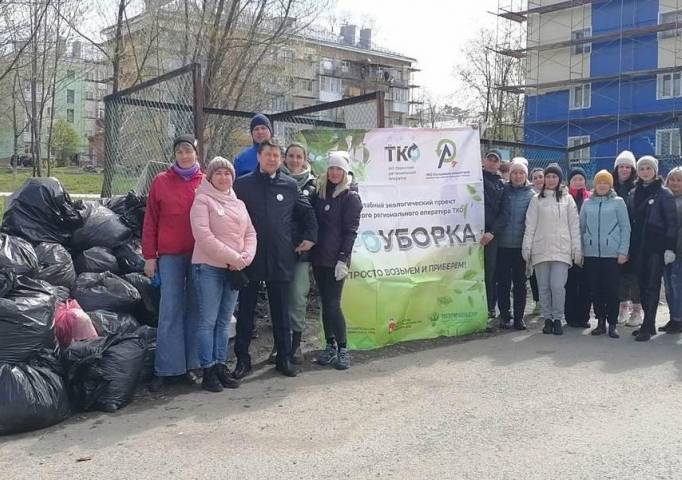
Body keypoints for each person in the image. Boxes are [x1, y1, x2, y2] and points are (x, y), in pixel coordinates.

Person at [232, 139, 318, 378]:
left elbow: (307, 212)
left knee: (281, 311)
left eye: (276, 155)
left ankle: (283, 358)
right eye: (268, 154)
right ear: (259, 156)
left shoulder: (289, 185)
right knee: (246, 311)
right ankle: (242, 360)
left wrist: (310, 238)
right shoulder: (242, 185)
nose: (272, 159)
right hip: (250, 257)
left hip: (281, 256)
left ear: (280, 160)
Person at [142, 134, 203, 392]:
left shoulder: (206, 181)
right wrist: (150, 256)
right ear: (174, 155)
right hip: (170, 255)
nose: (184, 155)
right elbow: (150, 219)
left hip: (201, 255)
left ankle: (191, 365)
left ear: (196, 154)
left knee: (195, 309)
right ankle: (167, 368)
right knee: (169, 310)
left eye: (188, 151)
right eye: (179, 152)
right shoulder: (161, 181)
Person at [190, 157, 257, 392]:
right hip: (208, 268)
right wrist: (234, 258)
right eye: (218, 173)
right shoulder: (202, 201)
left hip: (234, 270)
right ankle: (207, 369)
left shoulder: (238, 203)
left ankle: (220, 365)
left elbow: (250, 233)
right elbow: (204, 237)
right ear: (209, 177)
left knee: (224, 321)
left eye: (227, 173)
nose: (223, 177)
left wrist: (245, 258)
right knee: (207, 321)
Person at [312, 152, 362, 370]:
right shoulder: (321, 192)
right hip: (319, 258)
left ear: (345, 172)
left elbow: (351, 231)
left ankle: (343, 349)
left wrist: (343, 259)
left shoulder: (351, 196)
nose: (334, 172)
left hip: (336, 259)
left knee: (333, 304)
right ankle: (329, 345)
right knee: (325, 304)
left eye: (338, 169)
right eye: (331, 168)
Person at [522, 163, 581, 335]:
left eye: (554, 176)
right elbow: (530, 225)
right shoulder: (536, 200)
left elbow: (574, 225)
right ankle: (547, 319)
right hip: (541, 249)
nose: (550, 179)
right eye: (548, 176)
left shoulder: (567, 199)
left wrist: (576, 249)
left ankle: (558, 318)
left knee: (557, 286)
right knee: (544, 287)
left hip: (562, 250)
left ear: (559, 179)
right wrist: (527, 247)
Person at [627, 155, 678, 341]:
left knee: (652, 285)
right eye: (642, 169)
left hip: (656, 246)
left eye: (649, 168)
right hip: (638, 245)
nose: (645, 172)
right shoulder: (633, 192)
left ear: (655, 171)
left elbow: (672, 223)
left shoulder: (664, 193)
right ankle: (647, 324)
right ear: (638, 172)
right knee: (641, 284)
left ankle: (648, 325)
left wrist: (669, 249)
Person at [276, 143, 317, 364]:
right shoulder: (274, 179)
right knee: (279, 297)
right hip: (278, 249)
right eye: (290, 156)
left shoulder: (313, 183)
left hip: (301, 250)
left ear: (304, 159)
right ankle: (279, 344)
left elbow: (313, 216)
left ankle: (296, 344)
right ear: (285, 158)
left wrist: (310, 240)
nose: (294, 160)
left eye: (298, 156)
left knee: (298, 296)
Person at [579, 170, 630, 339]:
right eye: (599, 182)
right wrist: (581, 249)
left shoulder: (618, 202)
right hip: (592, 254)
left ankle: (612, 324)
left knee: (612, 290)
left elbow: (625, 228)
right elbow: (581, 227)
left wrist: (623, 251)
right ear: (594, 184)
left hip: (612, 255)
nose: (602, 185)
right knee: (596, 289)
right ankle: (600, 322)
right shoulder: (587, 203)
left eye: (605, 182)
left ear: (610, 185)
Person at [496, 159, 535, 330]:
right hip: (503, 245)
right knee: (503, 283)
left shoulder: (531, 195)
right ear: (510, 175)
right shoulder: (503, 191)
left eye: (521, 173)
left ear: (526, 175)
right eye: (515, 173)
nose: (518, 176)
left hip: (521, 246)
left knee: (520, 284)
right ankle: (505, 315)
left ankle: (519, 317)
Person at [612, 150, 641, 326]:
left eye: (627, 167)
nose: (624, 170)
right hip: (616, 238)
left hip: (635, 238)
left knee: (635, 276)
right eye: (621, 166)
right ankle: (623, 307)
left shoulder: (637, 188)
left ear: (632, 169)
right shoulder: (611, 187)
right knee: (620, 275)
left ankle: (637, 310)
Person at [482, 150, 509, 320]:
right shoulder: (473, 178)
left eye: (495, 160)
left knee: (490, 272)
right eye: (489, 159)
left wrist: (492, 233)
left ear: (499, 164)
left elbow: (504, 213)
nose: (492, 162)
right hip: (470, 233)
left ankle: (490, 307)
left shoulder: (502, 185)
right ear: (484, 160)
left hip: (491, 236)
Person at [565, 167, 592, 328]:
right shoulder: (564, 198)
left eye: (580, 179)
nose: (578, 181)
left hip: (586, 248)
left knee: (585, 284)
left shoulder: (590, 198)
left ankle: (583, 317)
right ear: (569, 182)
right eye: (574, 179)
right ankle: (570, 317)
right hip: (567, 247)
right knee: (570, 284)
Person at [660, 167, 682, 334]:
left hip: (679, 250)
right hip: (665, 250)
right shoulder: (664, 199)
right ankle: (673, 317)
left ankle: (678, 319)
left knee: (677, 284)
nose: (675, 183)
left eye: (679, 180)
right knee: (668, 285)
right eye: (672, 179)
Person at [528, 167, 544, 311]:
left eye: (541, 176)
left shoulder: (555, 194)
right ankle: (538, 300)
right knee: (534, 272)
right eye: (535, 177)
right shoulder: (530, 196)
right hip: (534, 240)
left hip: (549, 240)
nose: (539, 179)